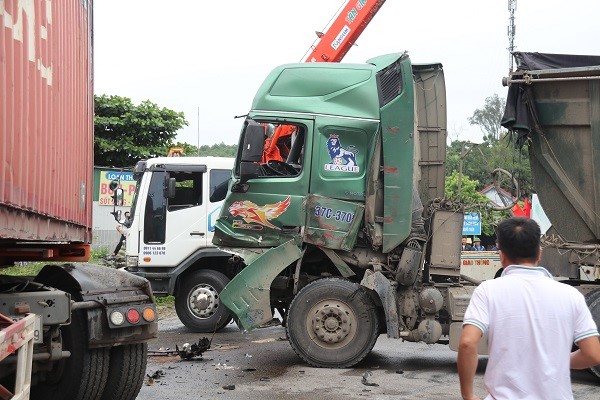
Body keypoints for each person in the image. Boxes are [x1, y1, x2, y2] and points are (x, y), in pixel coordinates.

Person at [457, 217, 600, 400]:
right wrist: (556, 360)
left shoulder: (488, 291)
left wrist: (468, 395)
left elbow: (467, 343)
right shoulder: (571, 295)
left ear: (501, 255)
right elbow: (593, 354)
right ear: (539, 253)